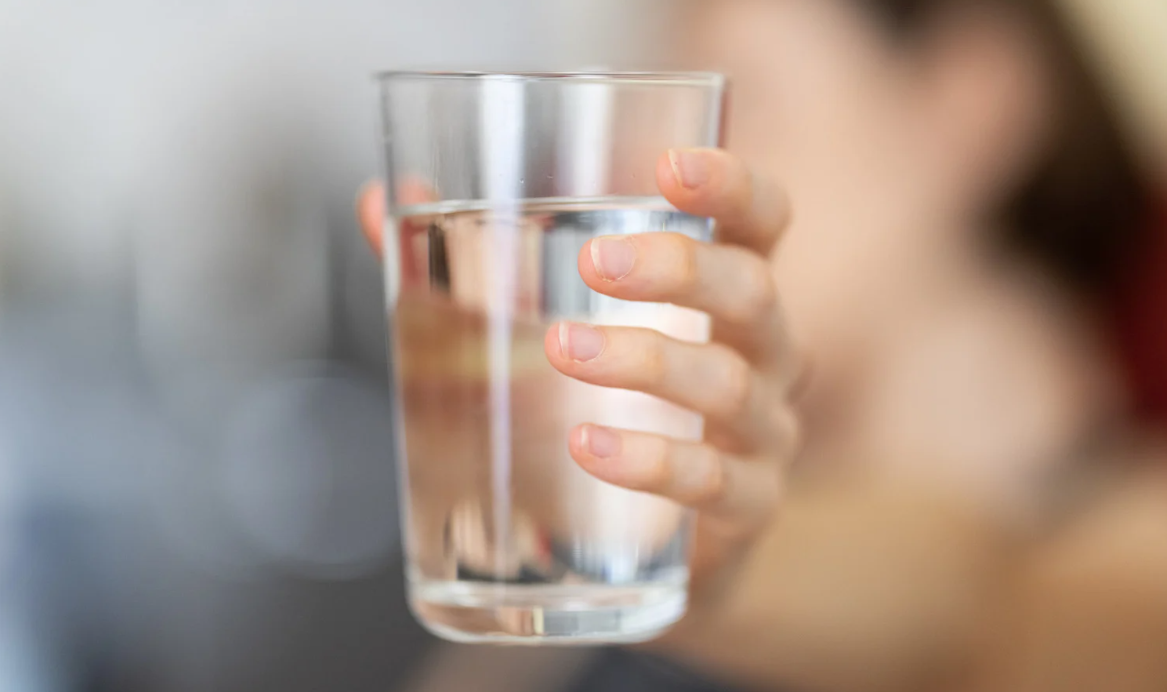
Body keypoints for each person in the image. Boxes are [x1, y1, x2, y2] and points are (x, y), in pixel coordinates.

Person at [360, 0, 1167, 690]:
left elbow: (980, 604)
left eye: (739, 104)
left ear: (970, 97)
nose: (644, 171)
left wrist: (702, 568)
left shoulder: (1128, 536)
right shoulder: (640, 545)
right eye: (645, 118)